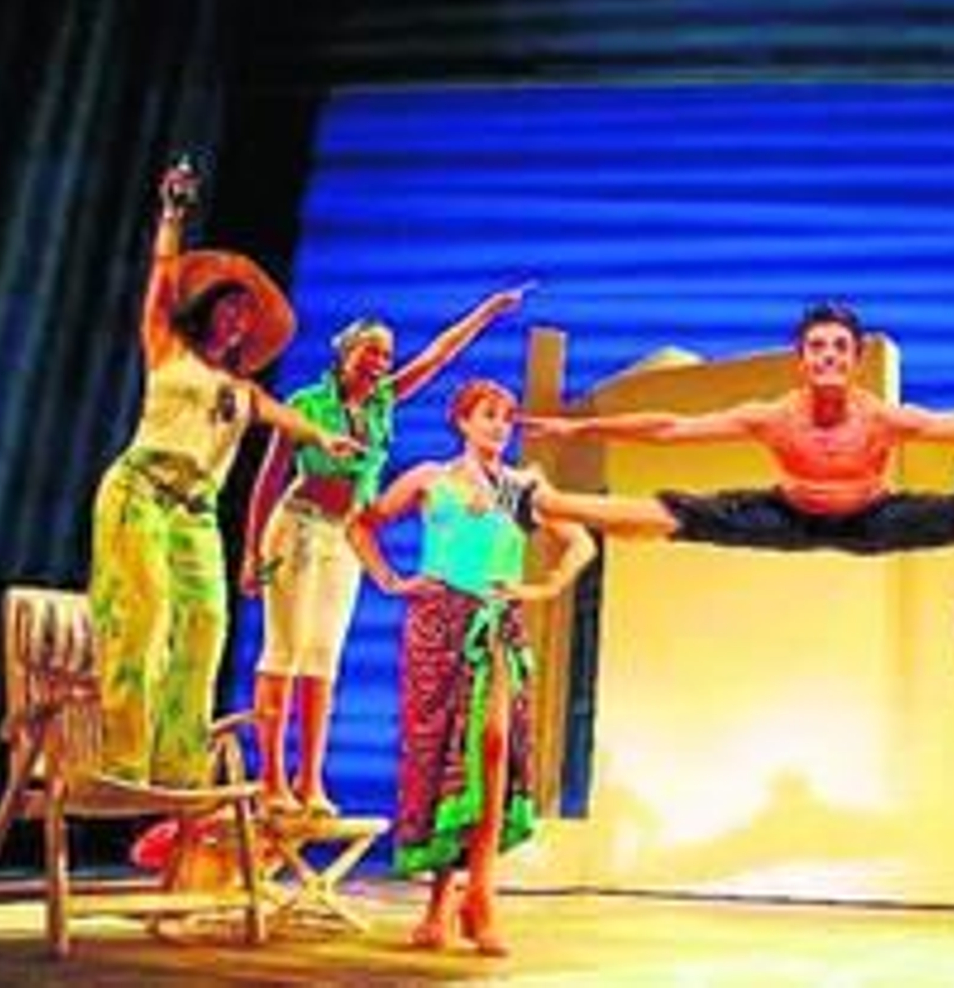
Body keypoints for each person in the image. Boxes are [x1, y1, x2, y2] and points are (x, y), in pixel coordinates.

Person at [90, 159, 360, 789]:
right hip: (141, 492)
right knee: (144, 614)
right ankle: (124, 759)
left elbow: (286, 418)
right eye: (230, 308)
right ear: (208, 311)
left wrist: (325, 437)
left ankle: (178, 766)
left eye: (247, 315)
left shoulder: (241, 390)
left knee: (207, 624)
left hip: (197, 511)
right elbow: (162, 280)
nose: (238, 319)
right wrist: (172, 215)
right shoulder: (168, 346)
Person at [522, 302, 954, 552]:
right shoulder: (773, 416)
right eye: (817, 347)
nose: (828, 358)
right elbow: (670, 428)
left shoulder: (882, 418)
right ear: (801, 357)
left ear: (855, 358)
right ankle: (539, 500)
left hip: (875, 518)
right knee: (672, 515)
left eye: (839, 348)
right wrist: (578, 432)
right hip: (785, 515)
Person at [240, 284, 533, 816]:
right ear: (345, 352)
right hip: (299, 527)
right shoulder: (307, 405)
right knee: (285, 651)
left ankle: (310, 781)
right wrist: (251, 552)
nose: (380, 363)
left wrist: (487, 312)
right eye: (370, 351)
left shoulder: (382, 403)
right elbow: (268, 478)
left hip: (345, 536)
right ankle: (272, 781)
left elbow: (438, 354)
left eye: (386, 355)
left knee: (323, 657)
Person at [347, 377, 595, 956]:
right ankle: (440, 902)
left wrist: (542, 588)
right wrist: (391, 580)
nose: (499, 425)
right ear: (462, 421)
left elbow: (580, 542)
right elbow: (361, 524)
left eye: (506, 416)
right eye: (488, 414)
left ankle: (482, 894)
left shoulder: (522, 486)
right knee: (446, 763)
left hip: (495, 625)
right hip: (437, 627)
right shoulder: (430, 478)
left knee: (493, 745)